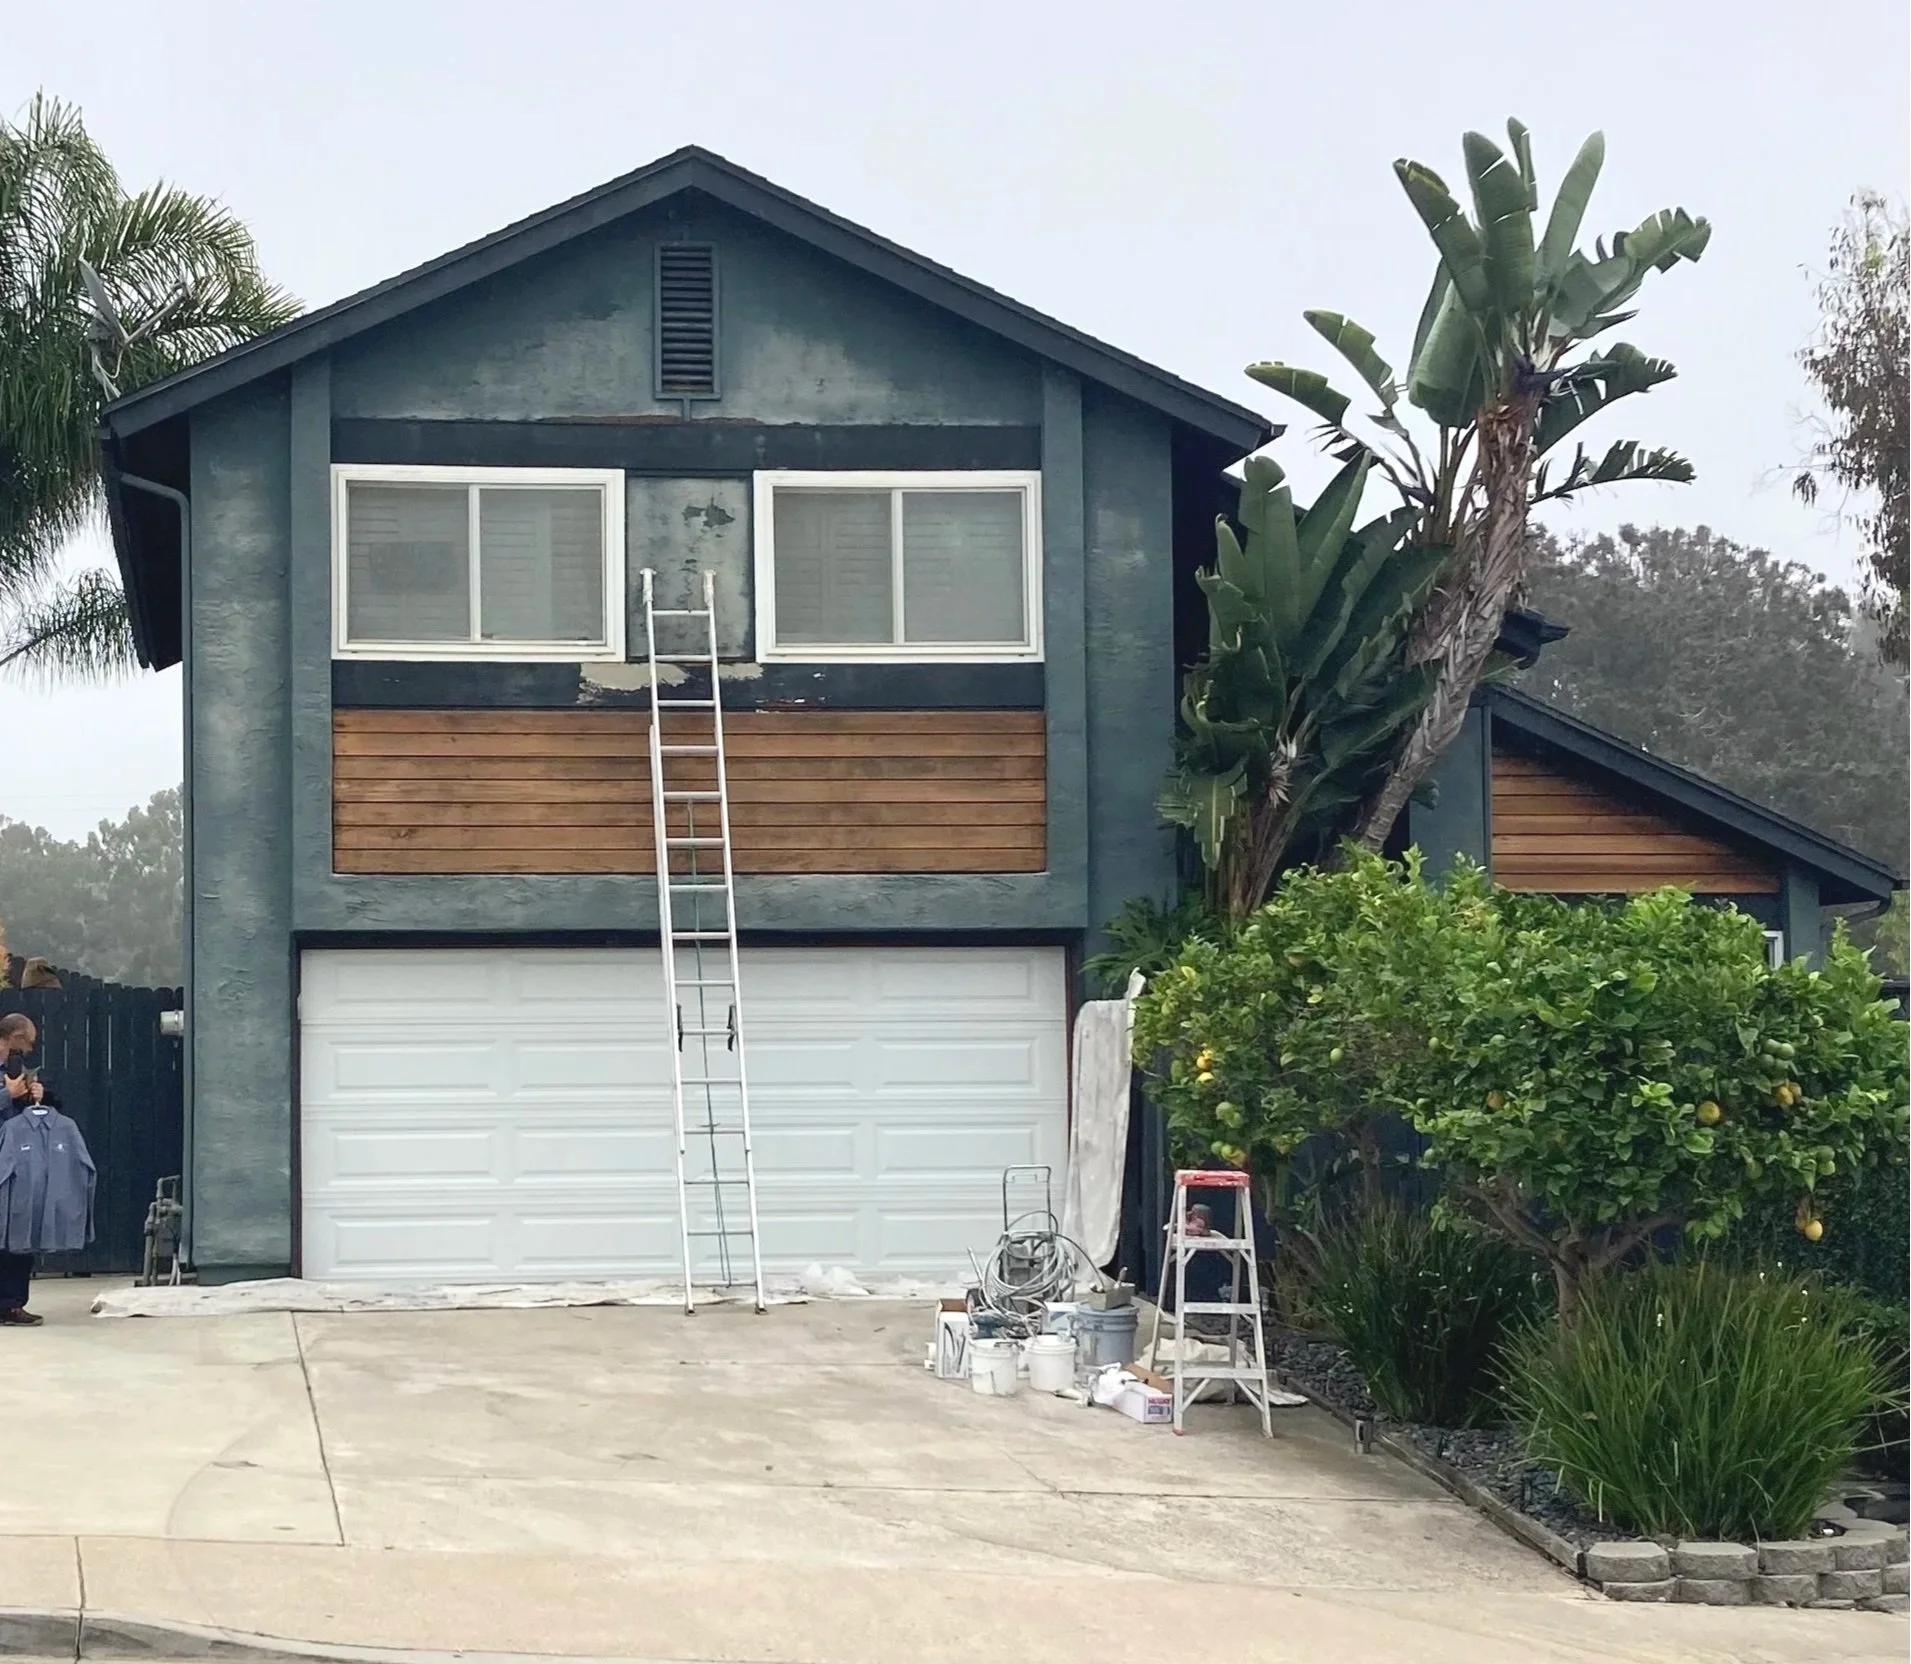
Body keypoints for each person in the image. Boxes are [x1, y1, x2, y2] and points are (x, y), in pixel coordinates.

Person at [0, 1013, 42, 1325]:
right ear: (14, 1037)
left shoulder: (10, 1070)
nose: (28, 1051)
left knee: (16, 1230)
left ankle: (12, 1303)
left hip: (13, 1158)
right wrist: (7, 1095)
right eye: (28, 1043)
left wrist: (33, 1097)